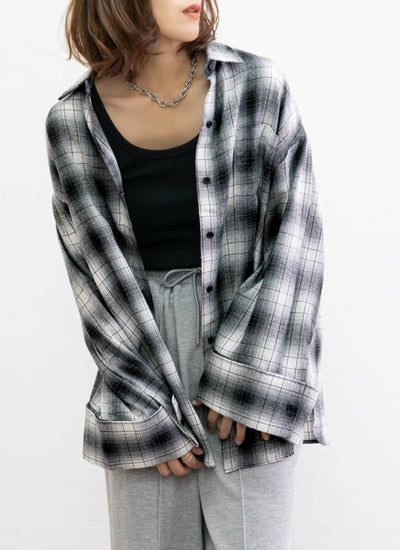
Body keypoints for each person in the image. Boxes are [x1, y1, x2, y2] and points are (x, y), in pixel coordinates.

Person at [45, 1, 329, 548]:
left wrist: (251, 376)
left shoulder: (258, 86)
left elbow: (297, 237)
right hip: (140, 362)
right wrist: (146, 409)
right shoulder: (73, 121)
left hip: (252, 342)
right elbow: (93, 276)